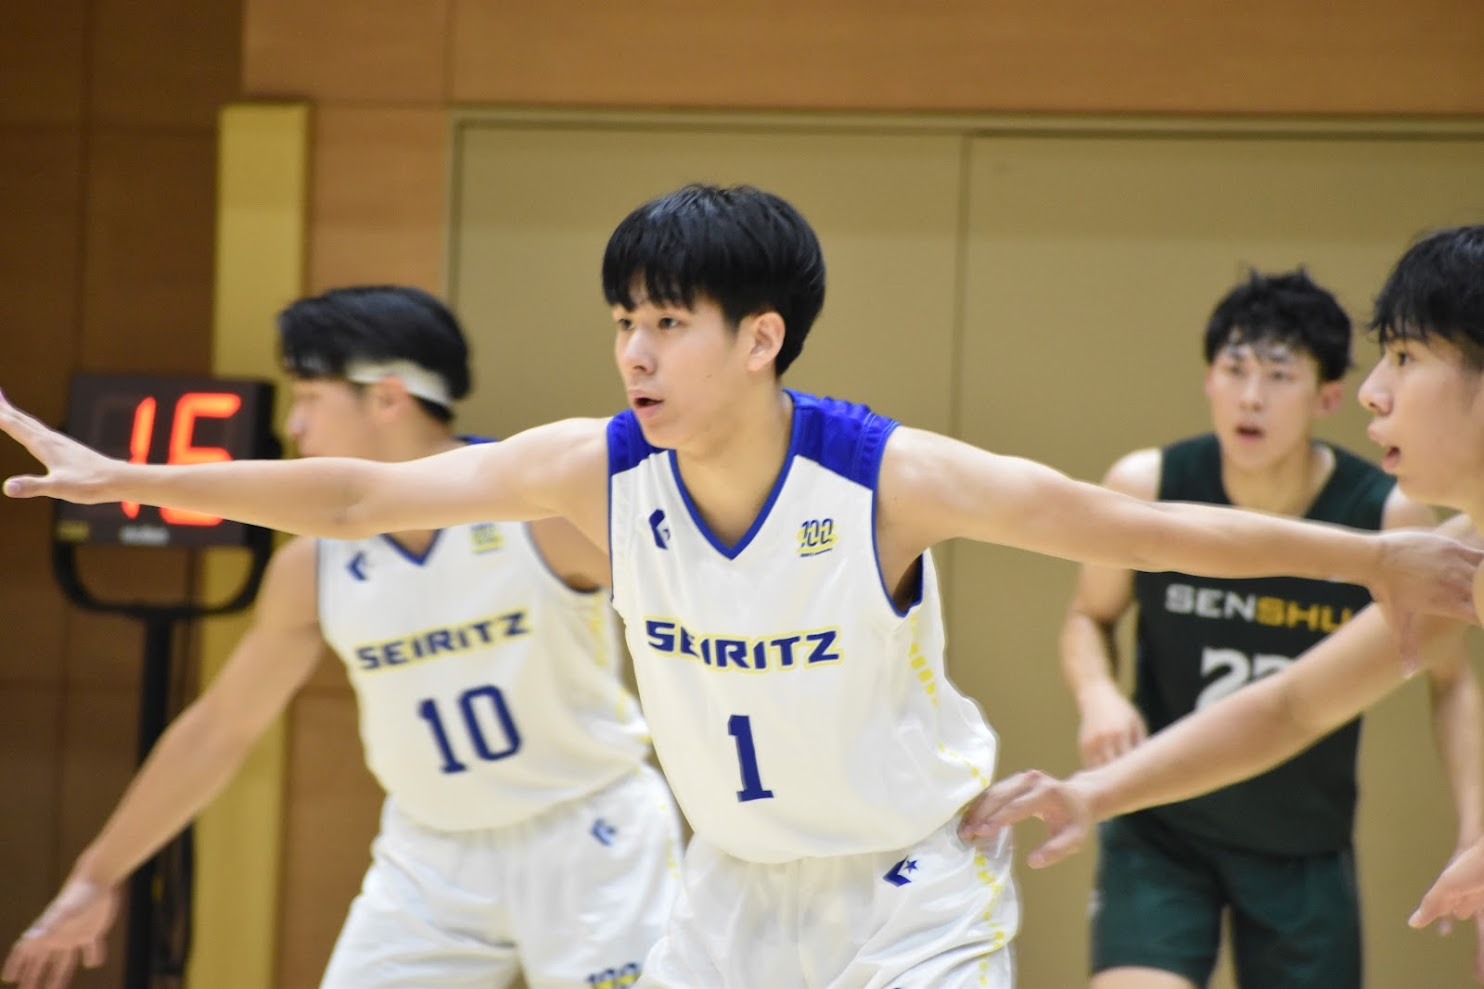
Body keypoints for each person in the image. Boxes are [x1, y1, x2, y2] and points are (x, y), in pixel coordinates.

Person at [0, 187, 1479, 988]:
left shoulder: (886, 476)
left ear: (761, 338)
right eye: (622, 322)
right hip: (722, 894)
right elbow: (355, 497)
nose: (634, 353)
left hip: (906, 890)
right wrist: (131, 476)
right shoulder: (587, 468)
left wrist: (1372, 555)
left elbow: (1131, 527)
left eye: (667, 323)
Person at [1, 286, 682, 989]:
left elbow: (697, 621)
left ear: (386, 397)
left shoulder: (544, 513)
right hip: (430, 853)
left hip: (590, 834)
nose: (293, 424)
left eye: (309, 396)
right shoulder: (311, 566)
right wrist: (98, 872)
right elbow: (221, 726)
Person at [961, 226, 1484, 983]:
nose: (1377, 389)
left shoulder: (1396, 525)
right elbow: (1288, 706)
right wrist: (1089, 787)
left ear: (1322, 395)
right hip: (1166, 832)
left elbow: (1440, 684)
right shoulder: (1447, 558)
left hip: (1302, 840)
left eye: (1404, 357)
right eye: (1234, 370)